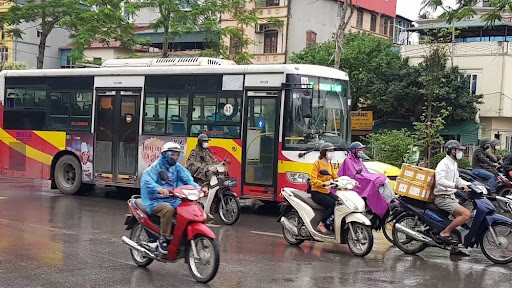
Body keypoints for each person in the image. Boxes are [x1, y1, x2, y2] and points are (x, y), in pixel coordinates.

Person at [140, 142, 202, 254]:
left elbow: (188, 179)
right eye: (172, 154)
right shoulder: (156, 167)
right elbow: (146, 180)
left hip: (172, 198)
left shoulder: (177, 168)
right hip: (154, 200)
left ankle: (181, 235)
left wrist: (198, 188)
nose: (175, 157)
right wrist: (158, 189)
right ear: (165, 154)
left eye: (177, 155)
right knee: (168, 210)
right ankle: (163, 238)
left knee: (189, 208)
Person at [338, 141, 392, 228]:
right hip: (354, 183)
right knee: (372, 182)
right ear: (354, 151)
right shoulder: (348, 161)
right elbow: (353, 175)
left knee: (380, 178)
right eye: (359, 150)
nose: (361, 152)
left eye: (361, 150)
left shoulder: (359, 160)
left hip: (361, 180)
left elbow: (365, 172)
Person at [434, 140, 472, 256]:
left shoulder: (453, 163)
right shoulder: (443, 163)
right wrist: (456, 186)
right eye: (459, 150)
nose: (461, 152)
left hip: (451, 196)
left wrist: (470, 184)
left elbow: (456, 179)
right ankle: (445, 232)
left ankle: (454, 248)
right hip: (442, 197)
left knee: (464, 220)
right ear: (452, 151)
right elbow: (439, 180)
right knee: (466, 214)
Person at [309, 142, 339, 234]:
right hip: (317, 192)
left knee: (341, 203)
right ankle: (321, 224)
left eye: (332, 150)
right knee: (332, 204)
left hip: (326, 191)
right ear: (324, 152)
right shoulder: (317, 164)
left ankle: (332, 223)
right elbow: (313, 180)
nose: (332, 152)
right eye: (330, 151)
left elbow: (335, 176)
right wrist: (322, 183)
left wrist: (345, 181)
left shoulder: (329, 165)